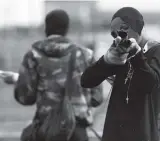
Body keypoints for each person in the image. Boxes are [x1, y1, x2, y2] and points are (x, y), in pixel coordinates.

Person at [3, 9, 103, 141]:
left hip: (47, 130)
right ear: (67, 28)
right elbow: (97, 98)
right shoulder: (86, 55)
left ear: (46, 28)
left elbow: (25, 97)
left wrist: (18, 80)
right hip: (77, 131)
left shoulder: (33, 54)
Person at [81, 7, 160, 141]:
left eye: (123, 30)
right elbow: (86, 80)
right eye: (114, 34)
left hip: (142, 133)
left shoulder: (159, 51)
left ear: (136, 27)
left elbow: (151, 84)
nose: (118, 36)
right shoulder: (120, 53)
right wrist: (106, 61)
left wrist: (136, 55)